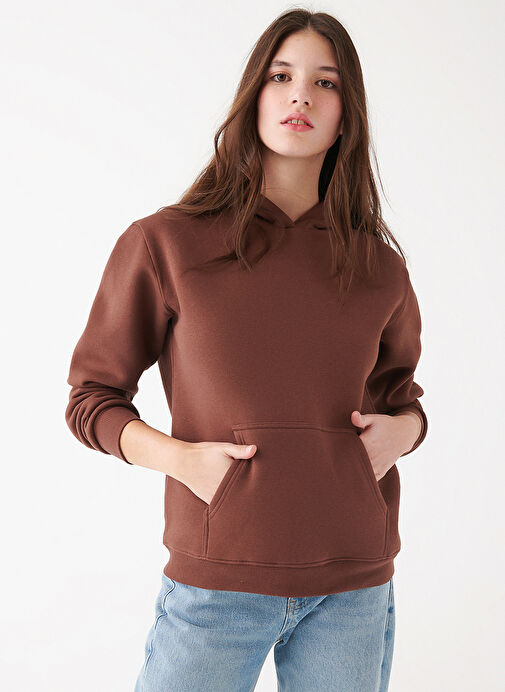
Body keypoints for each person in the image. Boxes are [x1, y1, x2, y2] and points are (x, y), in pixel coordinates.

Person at [65, 9, 428, 692]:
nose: (301, 96)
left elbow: (402, 401)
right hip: (215, 587)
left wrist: (403, 433)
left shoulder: (379, 266)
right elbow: (92, 399)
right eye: (280, 77)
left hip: (352, 589)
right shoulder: (166, 243)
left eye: (325, 82)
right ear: (252, 97)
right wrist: (181, 460)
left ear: (346, 116)